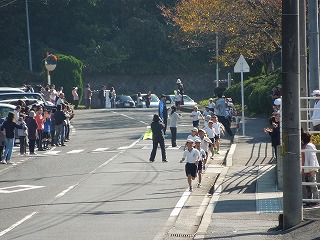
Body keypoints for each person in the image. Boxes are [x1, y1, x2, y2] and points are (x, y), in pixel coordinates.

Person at [301, 131, 320, 207]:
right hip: (306, 168)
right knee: (308, 186)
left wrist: (312, 169)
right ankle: (309, 201)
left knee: (313, 185)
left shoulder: (309, 146)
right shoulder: (305, 146)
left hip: (310, 169)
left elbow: (312, 158)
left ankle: (315, 201)